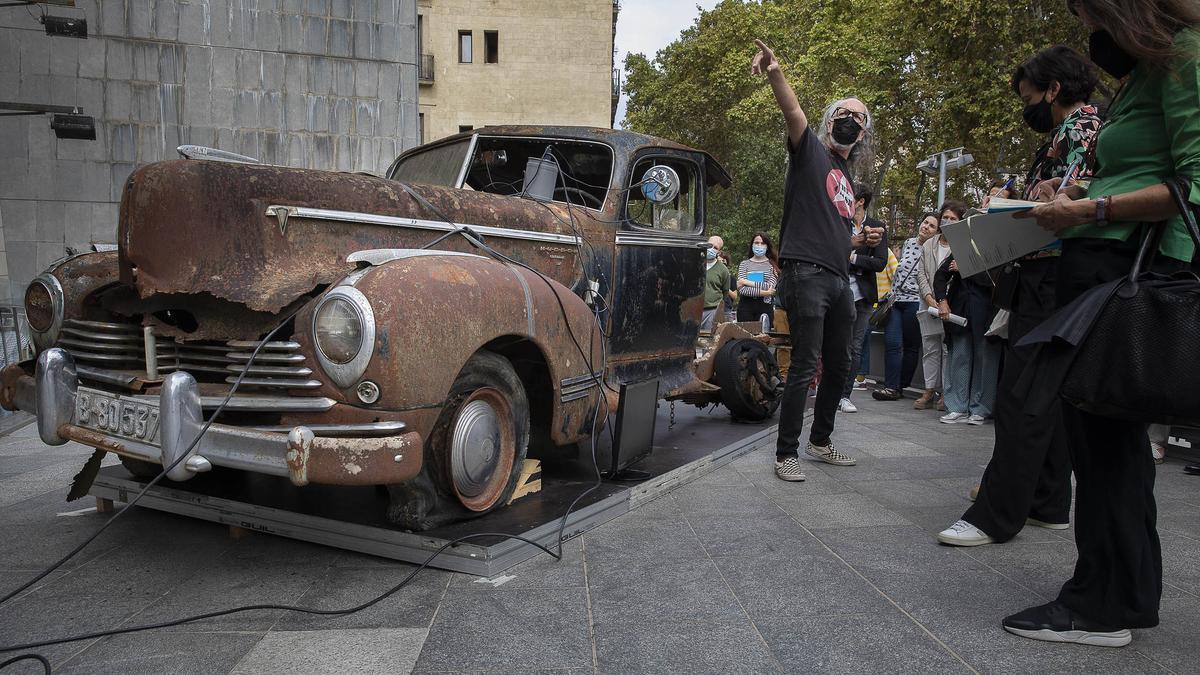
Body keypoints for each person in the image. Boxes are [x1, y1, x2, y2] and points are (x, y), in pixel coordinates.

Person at [1005, 0, 1200, 647]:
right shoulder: (1146, 75)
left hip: (1129, 267)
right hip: (1107, 262)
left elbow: (1191, 186)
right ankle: (1121, 593)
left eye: (1094, 18)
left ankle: (1101, 604)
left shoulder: (1185, 59)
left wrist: (1089, 209)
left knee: (1106, 439)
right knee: (1107, 443)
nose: (1091, 38)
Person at [938, 45, 1101, 547]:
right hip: (1054, 274)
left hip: (1049, 273)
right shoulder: (1078, 130)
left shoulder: (1079, 128)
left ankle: (995, 513)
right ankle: (1047, 501)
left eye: (1031, 98)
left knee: (1022, 395)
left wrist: (1013, 204)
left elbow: (1072, 196)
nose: (1029, 109)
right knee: (1046, 395)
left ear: (1054, 89)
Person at [751, 38, 879, 481]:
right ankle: (786, 453)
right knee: (806, 364)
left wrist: (859, 239)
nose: (850, 120)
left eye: (858, 118)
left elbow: (834, 228)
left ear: (864, 133)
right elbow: (793, 114)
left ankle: (820, 441)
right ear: (829, 122)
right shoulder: (811, 152)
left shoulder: (845, 175)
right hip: (804, 274)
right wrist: (775, 72)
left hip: (838, 278)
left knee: (841, 363)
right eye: (843, 113)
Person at [930, 201, 1000, 425]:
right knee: (959, 357)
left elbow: (995, 281)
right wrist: (942, 301)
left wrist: (968, 267)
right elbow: (940, 276)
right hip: (960, 312)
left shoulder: (996, 248)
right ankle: (956, 406)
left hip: (987, 313)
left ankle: (980, 408)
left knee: (985, 360)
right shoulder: (961, 247)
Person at [838, 185, 889, 413]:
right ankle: (829, 389)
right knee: (836, 345)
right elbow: (831, 254)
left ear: (859, 201)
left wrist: (852, 257)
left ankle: (844, 395)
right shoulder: (838, 222)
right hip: (838, 291)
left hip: (865, 296)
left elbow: (880, 263)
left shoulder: (878, 226)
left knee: (855, 347)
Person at [874, 226, 924, 401]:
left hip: (916, 301)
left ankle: (900, 385)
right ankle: (891, 386)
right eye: (925, 223)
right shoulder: (909, 243)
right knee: (892, 342)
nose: (926, 227)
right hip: (895, 300)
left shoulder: (933, 248)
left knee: (911, 345)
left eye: (932, 226)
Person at [915, 211, 954, 411]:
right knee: (930, 348)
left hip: (951, 306)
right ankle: (929, 390)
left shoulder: (959, 244)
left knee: (947, 349)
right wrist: (931, 299)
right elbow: (921, 274)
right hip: (928, 303)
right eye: (945, 217)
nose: (948, 221)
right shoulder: (930, 244)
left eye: (954, 218)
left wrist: (943, 300)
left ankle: (946, 392)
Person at [736, 233, 780, 326]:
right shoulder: (744, 264)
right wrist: (765, 293)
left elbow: (770, 286)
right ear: (752, 245)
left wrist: (746, 281)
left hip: (765, 307)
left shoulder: (773, 265)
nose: (759, 245)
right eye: (756, 242)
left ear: (767, 246)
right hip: (745, 307)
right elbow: (743, 290)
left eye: (763, 243)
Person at [702, 236, 737, 333]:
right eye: (710, 245)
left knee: (708, 341)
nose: (711, 249)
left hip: (712, 311)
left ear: (719, 252)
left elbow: (725, 291)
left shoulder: (722, 269)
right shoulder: (695, 263)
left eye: (715, 248)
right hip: (693, 309)